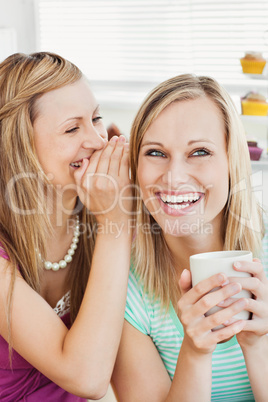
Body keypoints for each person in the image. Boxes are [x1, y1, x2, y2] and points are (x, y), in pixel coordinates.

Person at [112, 74, 268, 401]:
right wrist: (195, 352)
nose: (174, 178)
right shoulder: (123, 289)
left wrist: (258, 345)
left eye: (199, 152)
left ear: (232, 161)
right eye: (155, 153)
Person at [0, 52, 132, 401]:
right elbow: (87, 378)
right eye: (72, 128)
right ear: (20, 147)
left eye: (96, 118)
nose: (97, 140)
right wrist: (116, 224)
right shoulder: (110, 220)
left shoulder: (99, 212)